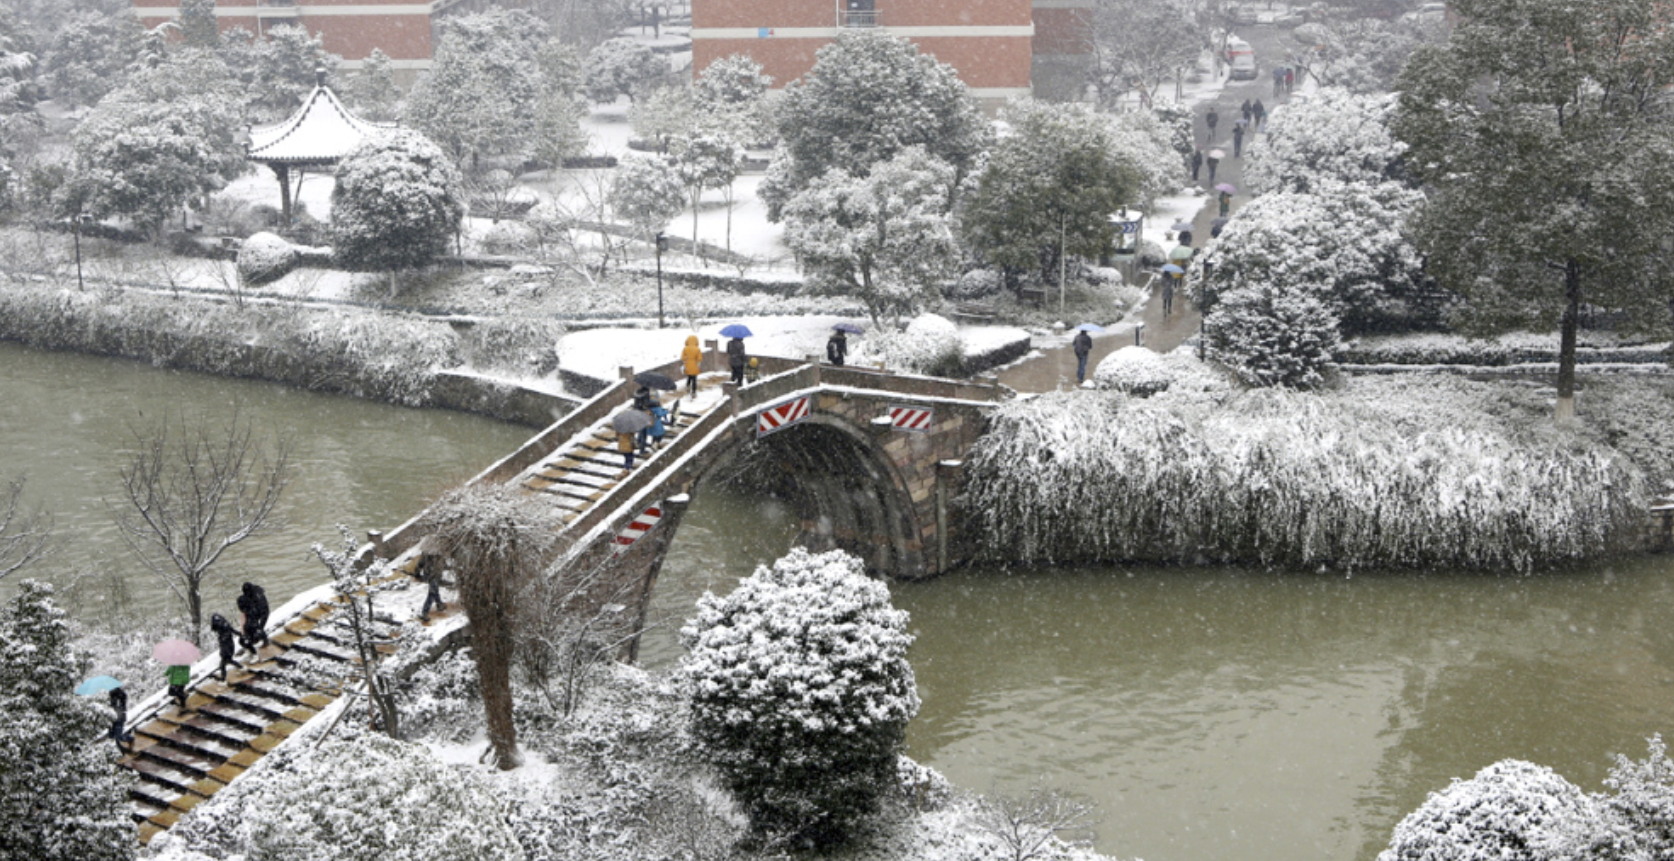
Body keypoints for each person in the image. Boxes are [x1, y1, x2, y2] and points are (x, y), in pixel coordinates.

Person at [415, 546, 446, 623]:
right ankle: (425, 612)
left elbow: (420, 564)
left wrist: (417, 573)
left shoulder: (431, 551)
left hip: (433, 575)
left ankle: (439, 604)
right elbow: (421, 564)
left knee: (434, 590)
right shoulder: (432, 552)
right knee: (432, 593)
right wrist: (417, 573)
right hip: (432, 575)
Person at [237, 581, 269, 657]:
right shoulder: (245, 598)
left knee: (257, 630)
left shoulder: (259, 597)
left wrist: (260, 628)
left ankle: (262, 639)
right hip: (252, 612)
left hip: (260, 611)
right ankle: (251, 643)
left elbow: (265, 613)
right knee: (247, 630)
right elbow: (244, 612)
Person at [211, 613, 243, 683]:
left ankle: (223, 679)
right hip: (229, 646)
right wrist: (240, 634)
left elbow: (224, 643)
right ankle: (241, 667)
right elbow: (233, 631)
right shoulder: (225, 627)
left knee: (223, 663)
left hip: (227, 648)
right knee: (227, 661)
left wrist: (222, 652)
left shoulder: (223, 632)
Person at [108, 685, 133, 753]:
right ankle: (127, 743)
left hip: (119, 718)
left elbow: (120, 705)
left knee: (118, 736)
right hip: (115, 718)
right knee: (112, 736)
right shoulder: (113, 694)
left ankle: (130, 739)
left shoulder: (118, 694)